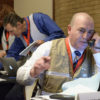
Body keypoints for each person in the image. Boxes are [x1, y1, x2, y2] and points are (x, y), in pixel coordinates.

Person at [16, 12, 100, 96]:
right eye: (81, 30)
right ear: (69, 29)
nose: (86, 37)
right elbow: (20, 76)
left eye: (90, 32)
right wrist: (33, 72)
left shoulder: (94, 55)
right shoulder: (48, 47)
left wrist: (97, 50)